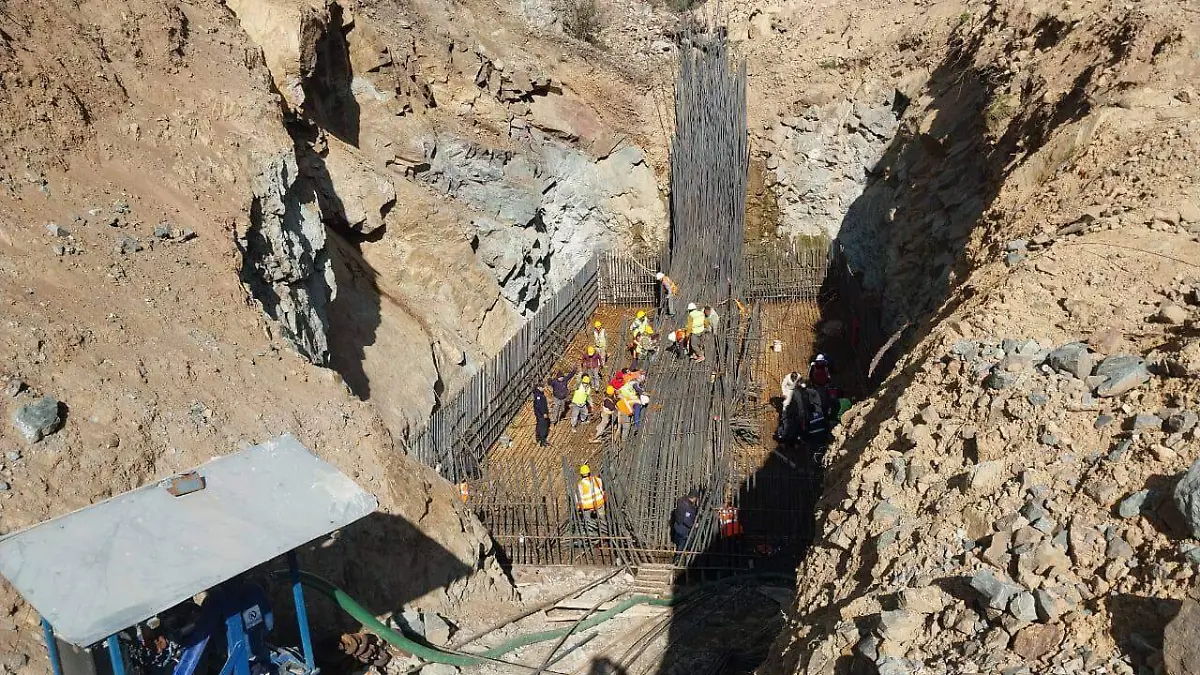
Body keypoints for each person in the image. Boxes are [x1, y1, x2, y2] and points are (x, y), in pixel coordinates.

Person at [575, 465, 607, 543]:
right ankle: (604, 533)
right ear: (589, 472)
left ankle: (591, 534)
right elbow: (602, 490)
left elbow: (577, 498)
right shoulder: (598, 480)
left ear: (581, 474)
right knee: (602, 518)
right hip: (599, 503)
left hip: (587, 506)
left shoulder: (581, 484)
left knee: (587, 520)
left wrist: (578, 507)